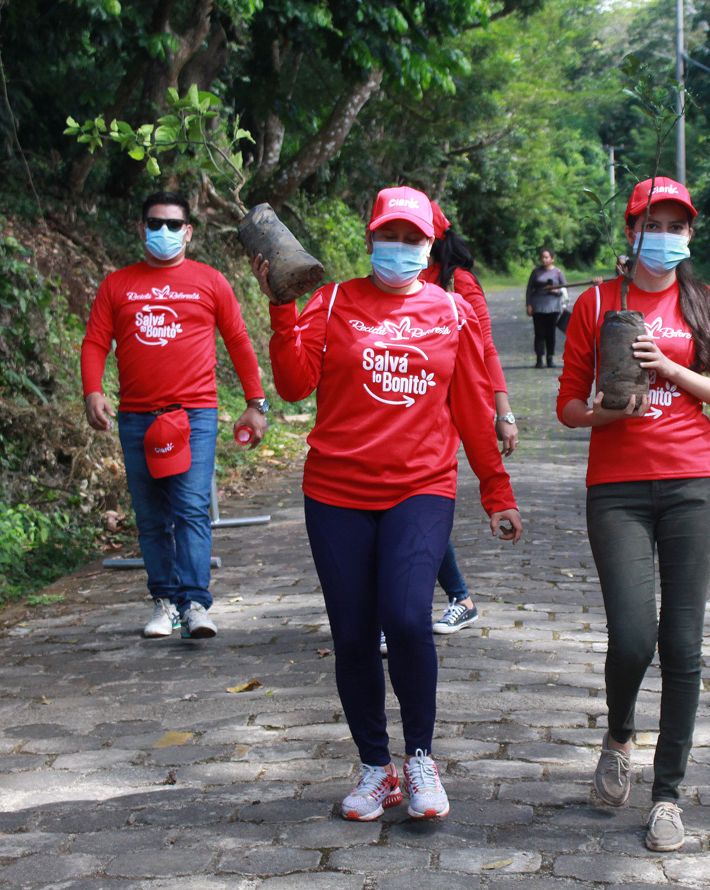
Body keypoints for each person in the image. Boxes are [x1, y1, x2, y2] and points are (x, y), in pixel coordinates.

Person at [251, 185, 523, 823]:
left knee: (405, 619)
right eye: (387, 236)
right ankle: (378, 768)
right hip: (335, 493)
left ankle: (421, 756)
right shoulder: (334, 299)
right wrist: (281, 307)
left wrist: (495, 490)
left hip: (420, 488)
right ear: (371, 238)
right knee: (351, 636)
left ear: (430, 246)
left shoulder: (452, 312)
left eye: (411, 239)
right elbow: (294, 385)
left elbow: (471, 409)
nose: (398, 248)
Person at [556, 177, 710, 852]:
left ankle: (667, 795)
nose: (666, 234)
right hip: (616, 489)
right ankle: (618, 733)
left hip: (695, 485)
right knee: (634, 636)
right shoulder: (596, 303)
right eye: (654, 222)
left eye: (679, 224)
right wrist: (614, 410)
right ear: (631, 228)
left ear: (690, 235)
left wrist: (671, 368)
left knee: (683, 643)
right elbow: (568, 408)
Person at [81, 191, 269, 640]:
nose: (162, 232)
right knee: (150, 515)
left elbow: (239, 341)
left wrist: (256, 402)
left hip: (194, 415)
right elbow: (94, 342)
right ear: (140, 227)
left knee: (190, 508)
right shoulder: (117, 285)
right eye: (154, 223)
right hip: (136, 417)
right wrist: (92, 391)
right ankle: (164, 602)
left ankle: (195, 604)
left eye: (172, 225)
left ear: (188, 232)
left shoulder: (210, 281)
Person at [420, 201, 517, 634]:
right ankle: (459, 596)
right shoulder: (392, 283)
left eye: (414, 234)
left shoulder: (458, 283)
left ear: (434, 238)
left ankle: (456, 597)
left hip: (445, 411)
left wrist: (503, 411)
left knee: (418, 506)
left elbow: (486, 350)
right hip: (402, 408)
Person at [525, 247, 567, 368]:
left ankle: (550, 357)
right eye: (542, 257)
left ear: (552, 259)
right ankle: (539, 358)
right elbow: (529, 288)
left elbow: (564, 288)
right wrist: (528, 304)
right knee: (539, 333)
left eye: (546, 257)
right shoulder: (536, 272)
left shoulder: (558, 272)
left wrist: (556, 290)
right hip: (538, 306)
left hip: (553, 307)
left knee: (550, 333)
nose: (544, 259)